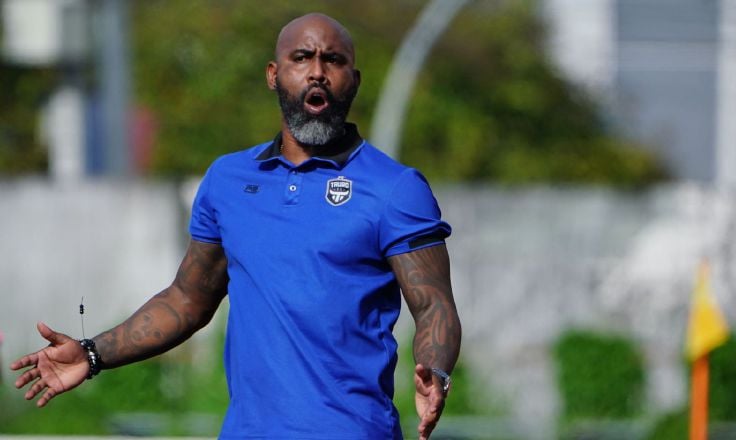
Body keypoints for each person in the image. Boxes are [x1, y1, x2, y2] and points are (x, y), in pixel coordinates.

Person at [11, 13, 461, 440]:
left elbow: (434, 305)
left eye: (334, 60)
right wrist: (92, 354)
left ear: (354, 81)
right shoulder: (228, 180)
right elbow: (187, 299)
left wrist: (435, 369)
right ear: (273, 74)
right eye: (302, 58)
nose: (318, 71)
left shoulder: (395, 188)